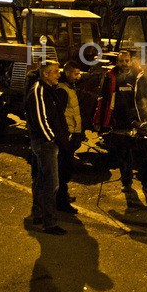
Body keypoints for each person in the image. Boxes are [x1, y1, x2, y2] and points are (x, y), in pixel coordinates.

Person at [93, 50, 147, 191]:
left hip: (138, 122)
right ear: (117, 62)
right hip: (119, 122)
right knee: (123, 155)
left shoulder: (140, 77)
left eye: (126, 60)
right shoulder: (110, 77)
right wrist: (98, 120)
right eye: (121, 61)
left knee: (143, 155)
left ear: (131, 61)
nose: (124, 63)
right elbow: (102, 99)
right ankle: (126, 183)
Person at [24, 60, 70, 235]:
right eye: (56, 72)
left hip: (47, 143)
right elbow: (41, 120)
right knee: (51, 183)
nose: (59, 74)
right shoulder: (39, 91)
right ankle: (49, 223)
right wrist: (52, 139)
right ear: (46, 74)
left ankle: (38, 214)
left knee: (41, 180)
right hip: (45, 144)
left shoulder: (48, 90)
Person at [56, 61, 84, 214]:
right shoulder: (62, 90)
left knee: (66, 168)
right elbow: (60, 115)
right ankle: (61, 201)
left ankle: (63, 195)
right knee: (63, 168)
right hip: (67, 136)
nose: (78, 77)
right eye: (75, 74)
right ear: (67, 73)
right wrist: (66, 134)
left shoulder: (70, 88)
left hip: (72, 133)